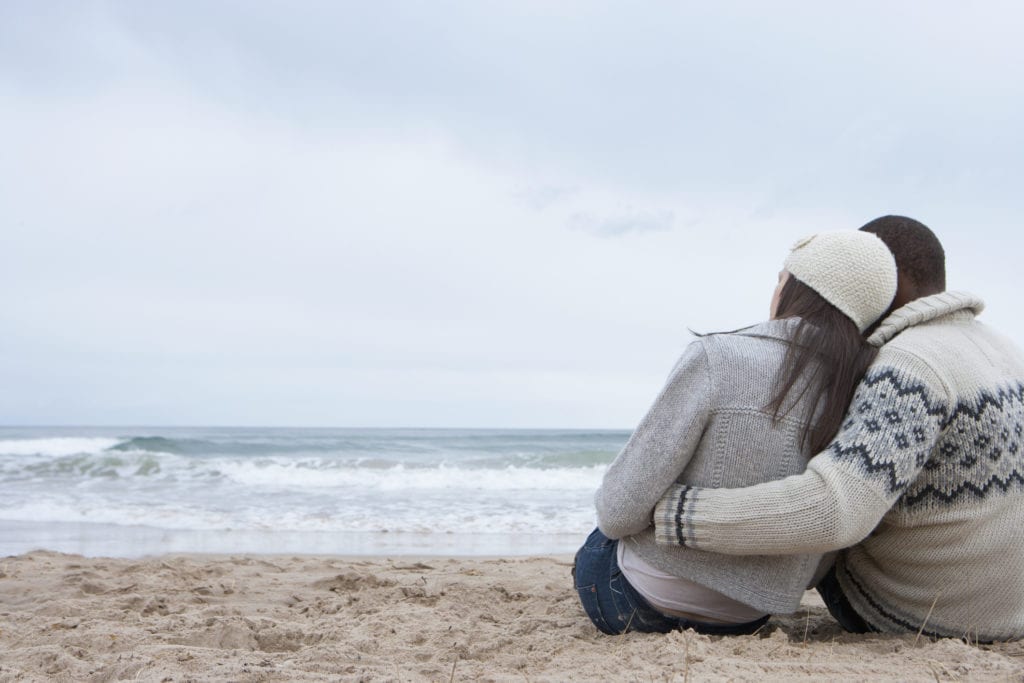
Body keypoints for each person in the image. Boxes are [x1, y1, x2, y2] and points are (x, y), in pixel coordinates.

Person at [653, 216, 1024, 642]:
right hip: (1008, 609)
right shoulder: (1005, 350)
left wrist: (674, 512)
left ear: (888, 279)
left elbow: (834, 512)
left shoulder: (908, 366)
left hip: (923, 615)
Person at [574, 230, 898, 635]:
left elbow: (617, 512)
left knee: (599, 537)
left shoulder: (718, 357)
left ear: (800, 287)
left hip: (637, 602)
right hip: (745, 617)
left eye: (781, 278)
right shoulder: (868, 391)